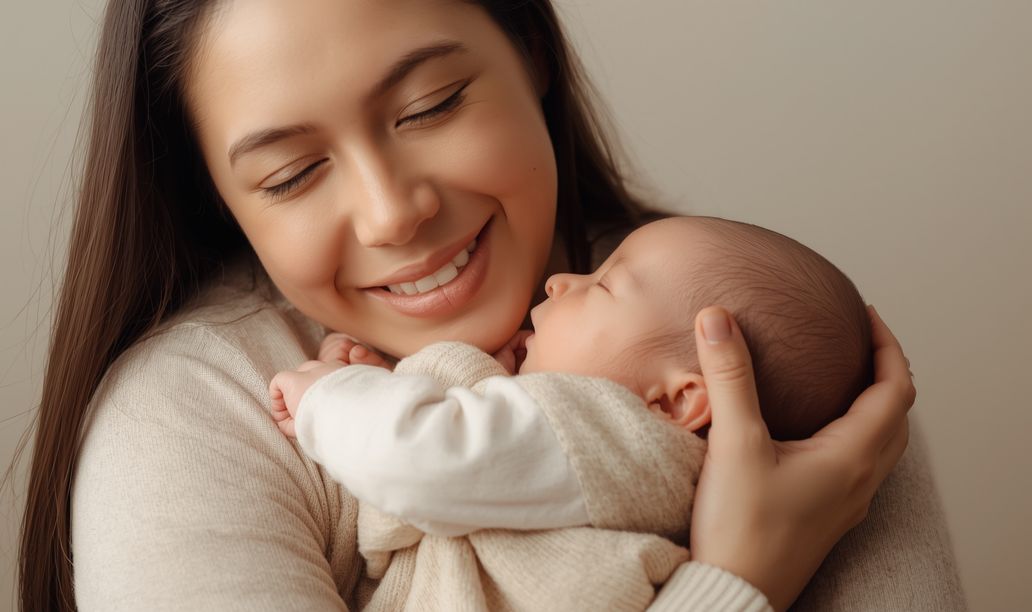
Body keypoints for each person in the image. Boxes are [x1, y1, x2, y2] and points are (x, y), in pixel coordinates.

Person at [16, 1, 929, 611]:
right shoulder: (189, 419)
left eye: (430, 105)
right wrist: (738, 580)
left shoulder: (757, 351)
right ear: (217, 197)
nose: (392, 212)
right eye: (291, 174)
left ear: (529, 48)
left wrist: (332, 399)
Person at [265, 215, 874, 610]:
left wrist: (332, 394)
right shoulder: (624, 469)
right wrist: (406, 380)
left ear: (675, 401)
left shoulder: (618, 439)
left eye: (603, 285)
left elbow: (417, 458)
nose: (560, 281)